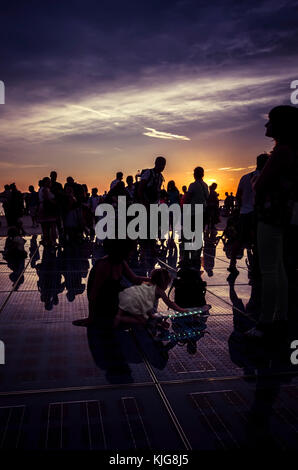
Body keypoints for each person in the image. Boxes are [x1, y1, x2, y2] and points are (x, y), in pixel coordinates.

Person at [246, 105, 298, 338]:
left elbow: (260, 185)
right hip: (282, 215)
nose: (266, 126)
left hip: (270, 214)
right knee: (279, 268)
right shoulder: (293, 151)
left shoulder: (282, 152)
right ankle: (281, 316)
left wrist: (256, 182)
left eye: (270, 122)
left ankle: (265, 323)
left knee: (268, 270)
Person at [73, 239, 149, 327]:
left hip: (113, 299)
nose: (132, 253)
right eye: (130, 251)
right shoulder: (104, 265)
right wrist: (91, 318)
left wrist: (153, 279)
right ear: (122, 251)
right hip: (105, 305)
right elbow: (93, 294)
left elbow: (134, 279)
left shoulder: (120, 262)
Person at [227, 154, 269, 275]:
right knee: (257, 240)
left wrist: (239, 208)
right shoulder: (265, 177)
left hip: (244, 212)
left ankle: (232, 263)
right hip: (259, 214)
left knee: (239, 239)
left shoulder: (245, 177)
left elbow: (238, 195)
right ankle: (257, 266)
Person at [114, 268, 187, 327]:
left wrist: (157, 321)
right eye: (168, 283)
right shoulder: (159, 290)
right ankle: (120, 318)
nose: (167, 286)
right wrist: (181, 310)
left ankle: (119, 318)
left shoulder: (149, 283)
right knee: (142, 320)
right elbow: (169, 303)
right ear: (163, 282)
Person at [38, 177, 57, 248]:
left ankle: (47, 241)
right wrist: (55, 203)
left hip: (43, 207)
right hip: (47, 208)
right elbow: (47, 199)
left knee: (45, 227)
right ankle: (52, 241)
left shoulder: (41, 189)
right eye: (49, 182)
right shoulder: (45, 189)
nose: (50, 183)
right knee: (51, 226)